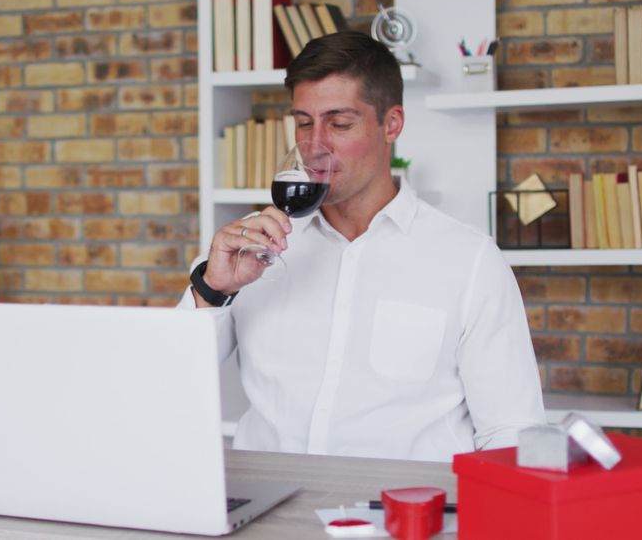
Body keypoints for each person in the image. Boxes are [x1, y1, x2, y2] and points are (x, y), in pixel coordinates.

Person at [179, 31, 544, 462]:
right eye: (303, 122)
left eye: (340, 123)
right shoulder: (245, 252)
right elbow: (173, 382)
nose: (315, 147)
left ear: (392, 124)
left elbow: (511, 431)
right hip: (267, 510)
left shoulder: (470, 261)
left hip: (407, 517)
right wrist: (212, 290)